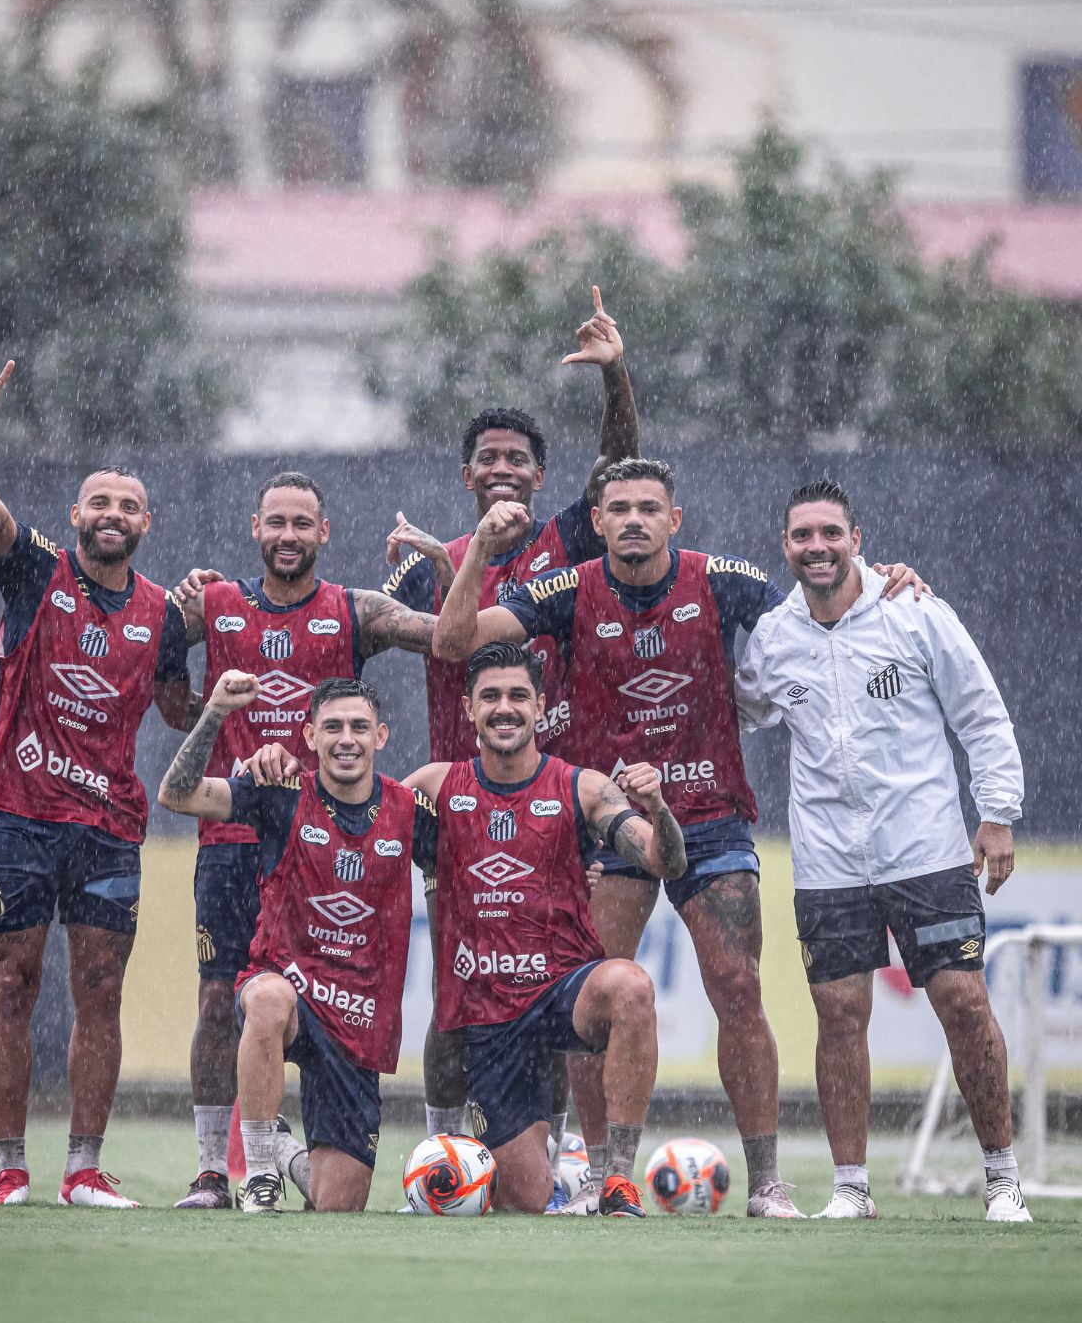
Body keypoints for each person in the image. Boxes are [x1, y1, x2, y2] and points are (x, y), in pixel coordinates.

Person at [432, 459, 927, 1216]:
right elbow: (456, 640)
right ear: (596, 522)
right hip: (605, 823)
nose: (633, 519)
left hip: (709, 815)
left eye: (648, 508)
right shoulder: (568, 591)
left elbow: (825, 602)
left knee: (738, 989)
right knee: (597, 1000)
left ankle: (766, 1183)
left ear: (675, 519)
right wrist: (474, 554)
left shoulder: (721, 581)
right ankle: (602, 1176)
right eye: (618, 508)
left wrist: (885, 576)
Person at [382, 285, 639, 1157]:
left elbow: (620, 475)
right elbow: (360, 639)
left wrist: (614, 379)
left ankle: (561, 1151)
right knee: (457, 988)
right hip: (456, 814)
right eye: (487, 457)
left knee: (555, 983)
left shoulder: (570, 543)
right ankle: (441, 1149)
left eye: (518, 458)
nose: (502, 468)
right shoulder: (432, 573)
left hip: (549, 814)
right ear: (467, 475)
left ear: (539, 473)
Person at [735, 480, 1030, 1222]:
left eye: (830, 533)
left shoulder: (914, 611)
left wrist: (997, 814)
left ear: (857, 539)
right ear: (786, 547)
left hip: (927, 849)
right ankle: (851, 1190)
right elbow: (737, 709)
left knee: (963, 1003)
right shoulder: (774, 636)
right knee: (837, 1015)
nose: (816, 547)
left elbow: (981, 712)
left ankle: (1002, 1179)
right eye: (802, 536)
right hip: (829, 861)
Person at [0, 350, 198, 1209]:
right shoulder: (37, 570)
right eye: (100, 501)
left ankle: (84, 1171)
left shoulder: (165, 611)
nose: (112, 514)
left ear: (145, 523)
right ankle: (11, 1169)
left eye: (128, 506)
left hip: (106, 828)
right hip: (17, 819)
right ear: (76, 514)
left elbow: (177, 709)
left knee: (99, 991)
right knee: (11, 984)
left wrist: (229, 674)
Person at [167, 472, 439, 1209]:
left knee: (314, 997)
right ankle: (216, 1172)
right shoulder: (214, 604)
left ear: (325, 533)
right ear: (255, 528)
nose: (288, 536)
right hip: (234, 831)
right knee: (223, 999)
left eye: (303, 524)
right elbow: (146, 641)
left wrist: (449, 563)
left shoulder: (355, 610)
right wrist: (193, 706)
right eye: (276, 523)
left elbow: (449, 637)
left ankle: (291, 1149)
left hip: (320, 835)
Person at [402, 642, 686, 1217]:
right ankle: (556, 1164)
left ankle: (614, 1179)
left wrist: (659, 810)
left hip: (560, 994)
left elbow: (665, 861)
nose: (504, 708)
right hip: (487, 1018)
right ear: (468, 709)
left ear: (540, 707)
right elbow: (355, 827)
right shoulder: (433, 786)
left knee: (631, 986)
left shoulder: (583, 788)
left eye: (517, 696)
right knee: (526, 1203)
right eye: (490, 697)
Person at [158, 674, 437, 1213]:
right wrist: (214, 713)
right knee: (265, 999)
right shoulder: (279, 793)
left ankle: (280, 1146)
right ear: (308, 737)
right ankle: (260, 1172)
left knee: (339, 1206)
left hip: (357, 1022)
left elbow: (471, 867)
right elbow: (175, 793)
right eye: (331, 727)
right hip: (290, 995)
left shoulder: (407, 811)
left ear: (382, 736)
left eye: (359, 727)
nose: (346, 739)